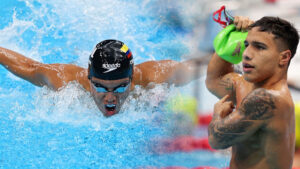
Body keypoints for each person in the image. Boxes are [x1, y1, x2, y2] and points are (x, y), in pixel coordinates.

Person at [0, 39, 202, 117]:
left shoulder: (155, 78)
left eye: (120, 88)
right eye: (101, 87)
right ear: (89, 77)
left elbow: (198, 66)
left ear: (132, 78)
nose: (110, 98)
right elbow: (28, 66)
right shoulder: (65, 80)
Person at [206, 16, 299, 169]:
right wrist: (233, 35)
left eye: (259, 47)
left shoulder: (268, 98)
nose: (246, 54)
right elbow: (214, 80)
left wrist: (217, 114)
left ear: (284, 57)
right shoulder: (248, 87)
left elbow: (216, 140)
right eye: (246, 44)